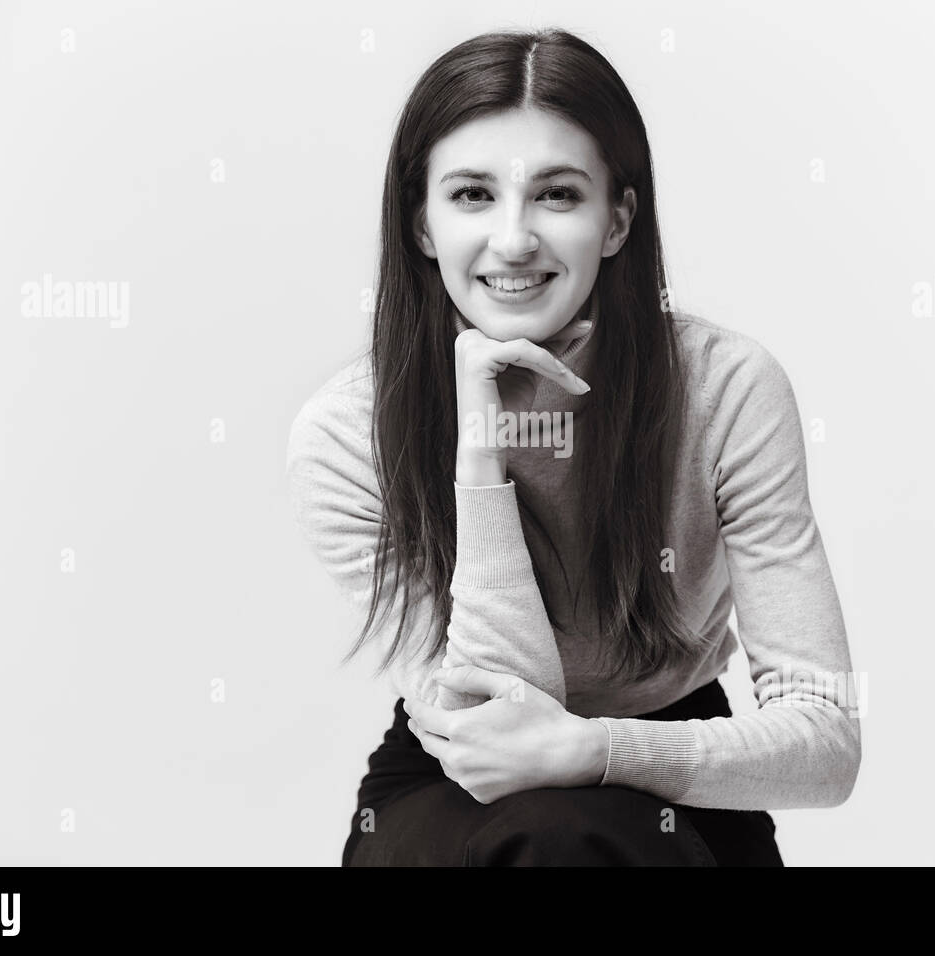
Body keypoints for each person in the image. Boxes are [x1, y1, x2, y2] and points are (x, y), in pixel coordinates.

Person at [286, 27, 861, 866]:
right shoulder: (345, 434)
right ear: (421, 224)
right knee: (552, 831)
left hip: (680, 771)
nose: (514, 239)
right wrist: (478, 450)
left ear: (618, 219)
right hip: (454, 779)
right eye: (473, 196)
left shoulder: (726, 389)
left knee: (574, 828)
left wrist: (596, 751)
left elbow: (826, 741)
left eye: (556, 195)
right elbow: (502, 713)